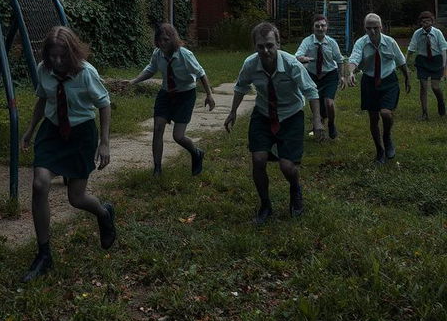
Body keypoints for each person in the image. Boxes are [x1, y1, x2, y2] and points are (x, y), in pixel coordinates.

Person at [20, 26, 115, 282]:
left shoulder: (86, 73)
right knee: (40, 184)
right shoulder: (44, 69)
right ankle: (44, 254)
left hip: (81, 134)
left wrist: (104, 143)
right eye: (52, 56)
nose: (57, 62)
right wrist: (30, 131)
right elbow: (43, 99)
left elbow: (104, 104)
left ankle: (104, 213)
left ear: (71, 52)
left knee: (76, 198)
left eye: (62, 56)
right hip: (52, 132)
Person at [224, 21, 323, 225]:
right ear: (255, 46)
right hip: (263, 113)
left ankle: (295, 189)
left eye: (270, 45)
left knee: (287, 167)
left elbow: (311, 91)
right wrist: (232, 112)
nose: (266, 50)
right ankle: (265, 205)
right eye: (260, 46)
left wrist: (317, 121)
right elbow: (241, 86)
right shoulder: (250, 64)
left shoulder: (291, 64)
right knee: (258, 159)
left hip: (291, 114)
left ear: (278, 43)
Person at [129, 22, 215, 176]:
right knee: (158, 128)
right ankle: (157, 168)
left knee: (178, 136)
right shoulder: (157, 53)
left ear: (173, 39)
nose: (163, 43)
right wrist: (133, 81)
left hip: (185, 95)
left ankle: (196, 153)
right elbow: (151, 69)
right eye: (160, 40)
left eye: (166, 39)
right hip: (166, 94)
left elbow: (201, 73)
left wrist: (209, 95)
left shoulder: (185, 55)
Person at [347, 13, 411, 163]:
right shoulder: (361, 43)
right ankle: (379, 151)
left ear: (381, 27)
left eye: (376, 28)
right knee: (373, 117)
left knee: (386, 113)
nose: (373, 32)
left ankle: (387, 136)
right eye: (369, 28)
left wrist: (407, 78)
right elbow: (354, 58)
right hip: (369, 81)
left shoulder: (390, 42)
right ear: (365, 28)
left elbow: (401, 61)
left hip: (388, 80)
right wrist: (350, 72)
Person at [295, 14, 345, 139]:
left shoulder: (332, 43)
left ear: (327, 27)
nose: (320, 28)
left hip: (329, 74)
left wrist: (342, 76)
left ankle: (331, 124)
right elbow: (298, 55)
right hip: (313, 75)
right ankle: (318, 121)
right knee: (314, 100)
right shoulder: (307, 41)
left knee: (329, 103)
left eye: (323, 26)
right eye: (317, 26)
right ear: (313, 28)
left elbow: (339, 60)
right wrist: (304, 58)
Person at [406, 11, 447, 119]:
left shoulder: (437, 33)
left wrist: (444, 66)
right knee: (423, 87)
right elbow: (411, 48)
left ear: (432, 22)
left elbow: (443, 49)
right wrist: (405, 63)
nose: (426, 24)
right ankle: (424, 113)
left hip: (436, 60)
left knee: (435, 87)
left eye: (428, 21)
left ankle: (441, 102)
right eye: (423, 22)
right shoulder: (417, 33)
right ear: (421, 23)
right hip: (422, 61)